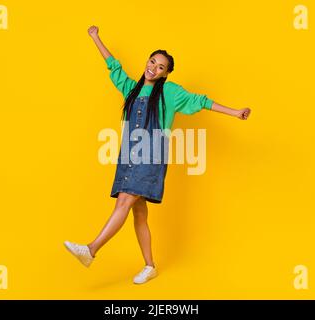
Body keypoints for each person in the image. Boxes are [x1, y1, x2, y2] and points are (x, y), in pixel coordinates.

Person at [64, 25, 251, 285]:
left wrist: (234, 112)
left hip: (151, 154)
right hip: (129, 154)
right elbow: (113, 66)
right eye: (152, 61)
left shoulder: (170, 92)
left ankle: (91, 249)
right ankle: (150, 266)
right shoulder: (131, 88)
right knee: (138, 213)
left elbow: (202, 101)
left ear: (166, 74)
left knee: (125, 201)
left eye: (161, 67)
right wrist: (96, 38)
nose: (154, 67)